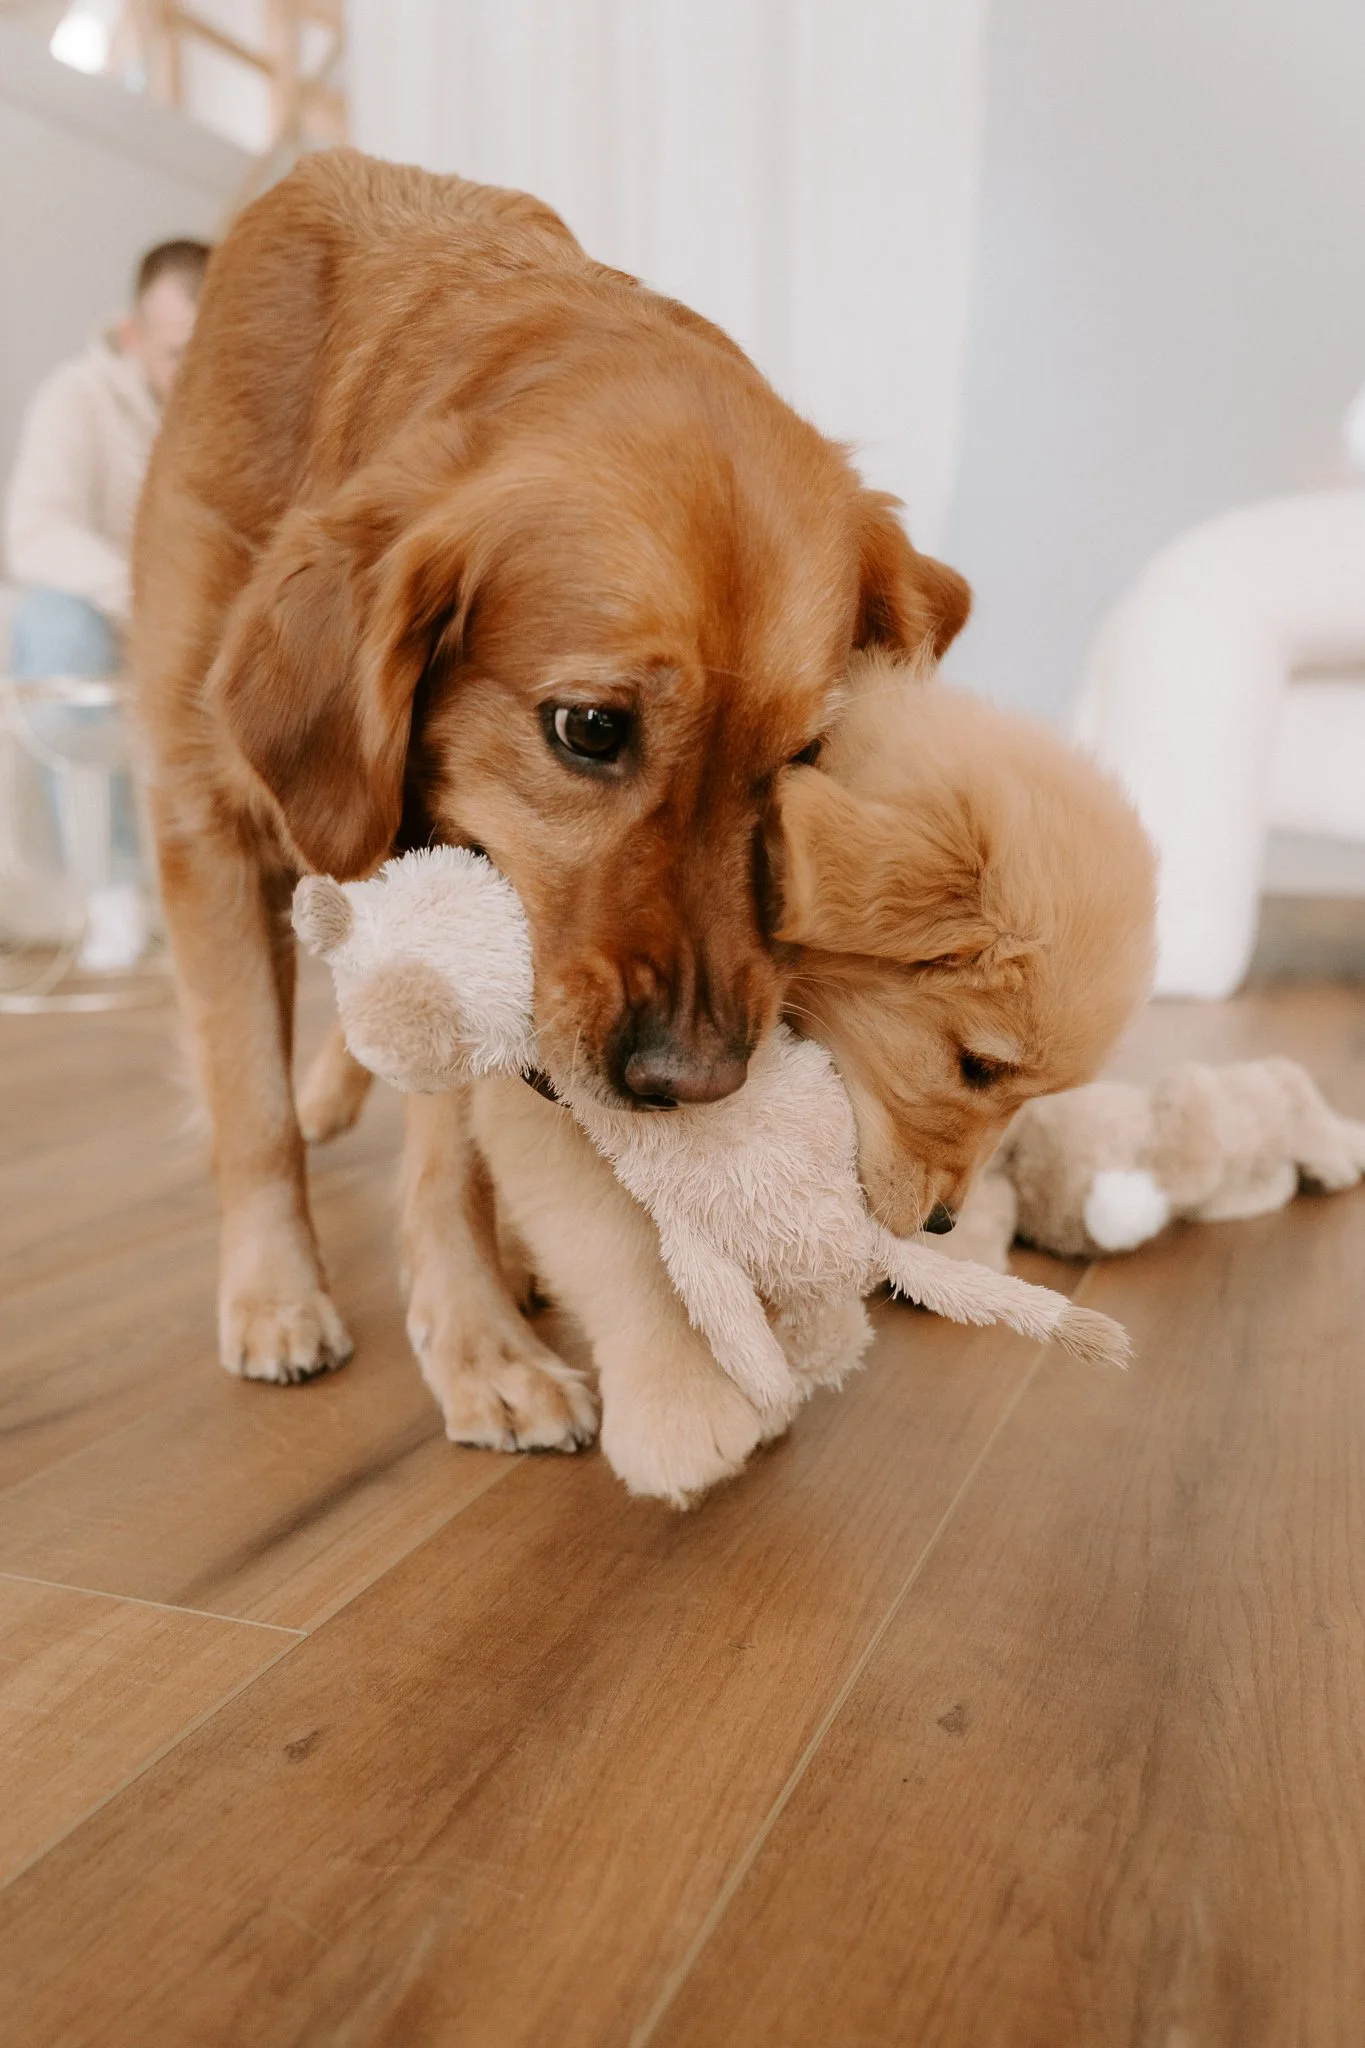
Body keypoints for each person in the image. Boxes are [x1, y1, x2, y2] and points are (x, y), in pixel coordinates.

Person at [2, 239, 210, 969]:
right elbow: (35, 535)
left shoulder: (235, 414)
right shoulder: (76, 397)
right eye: (179, 355)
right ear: (132, 336)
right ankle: (112, 893)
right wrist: (148, 598)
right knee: (56, 622)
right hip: (105, 623)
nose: (197, 376)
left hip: (195, 630)